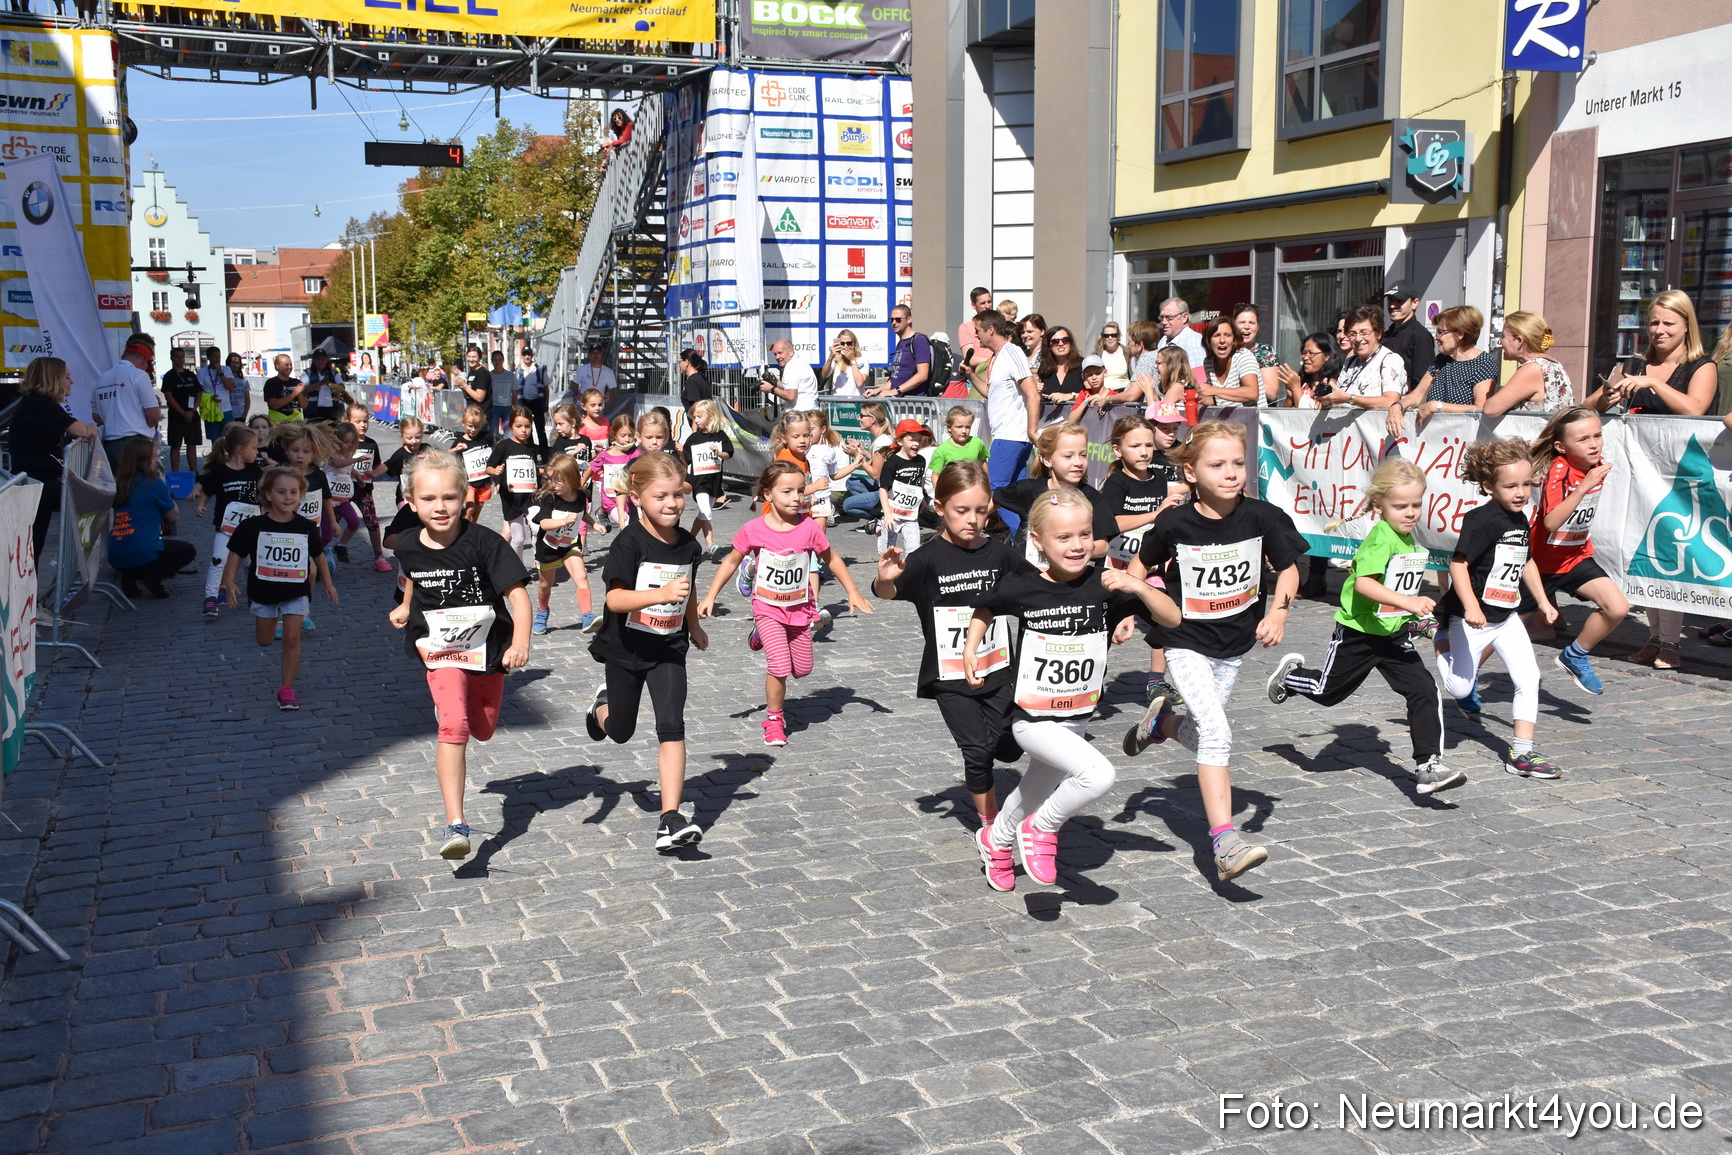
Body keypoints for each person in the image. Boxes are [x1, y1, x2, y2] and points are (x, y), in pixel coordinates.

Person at [964, 489, 1180, 889]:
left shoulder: (1105, 585)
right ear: (1038, 541)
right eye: (1064, 537)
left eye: (1084, 534)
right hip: (1032, 716)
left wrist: (1140, 586)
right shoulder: (1022, 585)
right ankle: (1040, 830)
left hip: (1077, 714)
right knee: (1097, 775)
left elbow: (1173, 618)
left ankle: (996, 841)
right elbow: (986, 607)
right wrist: (970, 650)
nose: (1077, 545)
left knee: (1034, 789)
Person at [1124, 421, 1306, 882]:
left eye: (1238, 463)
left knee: (1203, 734)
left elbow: (1288, 570)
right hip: (1184, 640)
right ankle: (1224, 843)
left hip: (1232, 646)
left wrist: (1279, 614)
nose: (1231, 473)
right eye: (1218, 464)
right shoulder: (1173, 522)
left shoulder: (1262, 517)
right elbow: (1140, 566)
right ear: (1190, 471)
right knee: (1219, 735)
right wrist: (1126, 607)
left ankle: (1160, 724)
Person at [1266, 459, 1466, 797]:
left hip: (1392, 634)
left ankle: (1428, 764)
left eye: (1416, 504)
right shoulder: (1381, 539)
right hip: (1358, 633)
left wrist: (1420, 622)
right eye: (1400, 505)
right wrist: (1409, 603)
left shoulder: (1407, 538)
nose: (1410, 512)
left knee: (1424, 689)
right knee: (1327, 693)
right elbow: (1365, 587)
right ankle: (1291, 677)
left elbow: (1399, 589)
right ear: (1379, 505)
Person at [389, 449, 532, 862]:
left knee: (483, 728)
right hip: (440, 650)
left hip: (488, 650)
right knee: (455, 726)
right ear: (411, 502)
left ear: (465, 497)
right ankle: (456, 822)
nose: (440, 507)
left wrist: (520, 642)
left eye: (449, 497)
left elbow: (518, 597)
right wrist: (405, 605)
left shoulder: (485, 543)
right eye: (429, 499)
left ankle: (456, 711)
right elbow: (415, 577)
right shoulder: (408, 544)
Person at [874, 461, 1029, 836]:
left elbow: (1037, 587)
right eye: (962, 511)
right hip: (949, 674)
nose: (973, 519)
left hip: (997, 669)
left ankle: (1003, 751)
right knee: (976, 751)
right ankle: (992, 829)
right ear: (940, 507)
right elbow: (887, 592)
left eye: (981, 510)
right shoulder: (927, 558)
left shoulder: (999, 554)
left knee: (1008, 747)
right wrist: (884, 579)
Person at [698, 461, 874, 747]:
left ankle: (758, 637)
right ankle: (774, 720)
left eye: (801, 491)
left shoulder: (809, 529)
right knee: (779, 666)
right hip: (767, 608)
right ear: (768, 495)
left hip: (800, 609)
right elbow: (730, 561)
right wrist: (710, 596)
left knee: (802, 669)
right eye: (787, 491)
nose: (796, 498)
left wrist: (852, 591)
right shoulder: (753, 529)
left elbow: (833, 559)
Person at [583, 452, 709, 851]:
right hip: (626, 648)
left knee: (672, 725)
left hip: (669, 646)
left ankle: (669, 818)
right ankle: (600, 709)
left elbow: (684, 590)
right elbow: (616, 600)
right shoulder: (629, 542)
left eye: (677, 495)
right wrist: (658, 594)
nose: (672, 504)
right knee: (620, 732)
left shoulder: (688, 545)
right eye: (661, 496)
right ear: (637, 497)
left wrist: (694, 625)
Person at [1587, 290, 1717, 669]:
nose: (1659, 330)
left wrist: (1653, 385)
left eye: (1668, 324)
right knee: (1644, 553)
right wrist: (1609, 394)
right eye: (1654, 322)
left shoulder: (1700, 365)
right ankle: (1655, 637)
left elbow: (1696, 408)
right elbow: (1589, 404)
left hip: (1680, 476)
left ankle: (1671, 643)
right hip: (1638, 474)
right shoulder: (1635, 362)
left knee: (1671, 554)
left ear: (1686, 326)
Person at [1433, 438, 1562, 778]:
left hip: (1506, 617)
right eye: (1511, 486)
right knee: (1460, 688)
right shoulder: (1481, 520)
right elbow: (1458, 565)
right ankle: (1440, 640)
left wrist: (1545, 602)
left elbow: (1527, 562)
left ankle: (1522, 755)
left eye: (1526, 484)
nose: (1521, 492)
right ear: (1489, 486)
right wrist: (1471, 607)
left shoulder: (1521, 518)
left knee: (1529, 677)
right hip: (1471, 620)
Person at [1097, 411, 1188, 724]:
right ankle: (1093, 677)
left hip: (1151, 569)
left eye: (1148, 445)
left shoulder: (1159, 479)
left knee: (1165, 620)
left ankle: (1155, 680)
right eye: (1136, 446)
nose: (1145, 451)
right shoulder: (1116, 482)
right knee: (1104, 627)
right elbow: (1112, 523)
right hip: (1117, 567)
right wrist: (1153, 514)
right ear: (1118, 450)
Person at [1529, 407, 1628, 693]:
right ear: (1561, 446)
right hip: (1539, 564)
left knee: (1617, 607)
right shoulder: (1560, 468)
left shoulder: (1597, 465)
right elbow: (1551, 521)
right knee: (1500, 627)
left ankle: (1575, 655)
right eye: (1583, 439)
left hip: (1575, 556)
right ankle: (1468, 676)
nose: (1594, 443)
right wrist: (1583, 487)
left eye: (1597, 435)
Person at [222, 465, 336, 711]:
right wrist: (228, 581)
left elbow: (319, 556)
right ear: (268, 495)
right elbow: (235, 554)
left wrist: (327, 583)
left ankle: (286, 689)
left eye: (293, 492)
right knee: (264, 641)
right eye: (282, 492)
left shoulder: (306, 526)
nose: (288, 497)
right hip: (263, 592)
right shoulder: (252, 526)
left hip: (295, 590)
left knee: (292, 638)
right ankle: (276, 621)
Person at [10, 356, 98, 561]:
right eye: (67, 376)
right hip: (35, 483)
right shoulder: (38, 404)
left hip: (39, 482)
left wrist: (88, 428)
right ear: (53, 379)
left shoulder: (41, 404)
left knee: (33, 547)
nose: (71, 381)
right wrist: (90, 428)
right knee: (31, 549)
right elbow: (80, 430)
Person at [992, 422, 1105, 565]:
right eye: (1068, 456)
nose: (1078, 462)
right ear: (1047, 460)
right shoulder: (1027, 489)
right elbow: (994, 500)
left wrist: (1072, 550)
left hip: (1071, 578)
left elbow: (1103, 545)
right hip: (1028, 574)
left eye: (1083, 455)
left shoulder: (1093, 498)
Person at [1386, 306, 1499, 434]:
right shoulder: (1442, 359)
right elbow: (1418, 395)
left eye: (1441, 332)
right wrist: (1397, 406)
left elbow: (1480, 408)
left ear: (1460, 334)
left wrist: (1437, 406)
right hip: (1436, 440)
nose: (1436, 337)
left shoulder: (1483, 362)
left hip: (1463, 440)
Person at [192, 423, 263, 619]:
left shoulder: (254, 470)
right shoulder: (220, 471)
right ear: (240, 449)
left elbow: (265, 490)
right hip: (226, 529)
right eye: (254, 448)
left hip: (250, 529)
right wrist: (201, 504)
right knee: (218, 561)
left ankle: (254, 596)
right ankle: (211, 598)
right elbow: (208, 490)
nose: (256, 452)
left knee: (252, 564)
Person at [977, 310, 1041, 521]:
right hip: (1006, 434)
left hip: (1013, 434)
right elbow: (991, 393)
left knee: (998, 492)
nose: (976, 335)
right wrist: (970, 374)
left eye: (978, 331)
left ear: (991, 330)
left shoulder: (1012, 351)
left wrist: (1032, 430)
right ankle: (1024, 542)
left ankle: (1024, 537)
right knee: (1014, 494)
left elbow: (1032, 393)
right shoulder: (997, 357)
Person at [527, 454, 596, 634]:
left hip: (570, 544)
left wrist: (594, 523)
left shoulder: (581, 496)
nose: (553, 484)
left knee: (581, 575)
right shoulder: (549, 498)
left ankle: (587, 616)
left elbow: (581, 512)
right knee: (545, 585)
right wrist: (564, 521)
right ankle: (542, 611)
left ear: (571, 478)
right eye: (551, 479)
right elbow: (544, 523)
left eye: (558, 480)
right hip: (548, 547)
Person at [1482, 311, 1573, 417]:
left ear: (1519, 340)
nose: (1499, 342)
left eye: (1503, 336)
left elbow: (1490, 409)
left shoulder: (1533, 368)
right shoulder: (1553, 364)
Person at [487, 407, 548, 564]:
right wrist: (496, 470)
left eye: (527, 426)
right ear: (511, 426)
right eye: (519, 426)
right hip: (511, 498)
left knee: (538, 528)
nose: (524, 430)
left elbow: (533, 469)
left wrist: (544, 473)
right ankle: (517, 566)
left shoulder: (532, 447)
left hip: (530, 496)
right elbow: (489, 467)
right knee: (519, 539)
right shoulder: (504, 446)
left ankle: (539, 559)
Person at [93, 335, 161, 468]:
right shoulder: (139, 375)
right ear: (143, 360)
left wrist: (116, 419)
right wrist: (139, 425)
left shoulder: (102, 378)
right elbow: (154, 415)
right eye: (147, 364)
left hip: (111, 445)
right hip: (137, 443)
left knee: (121, 486)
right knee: (142, 485)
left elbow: (96, 415)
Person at [1319, 304, 1403, 411]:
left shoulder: (1390, 360)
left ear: (1378, 333)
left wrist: (1350, 399)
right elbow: (1340, 401)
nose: (1358, 339)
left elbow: (1390, 402)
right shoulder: (1350, 362)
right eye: (1353, 333)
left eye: (1364, 333)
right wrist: (1328, 400)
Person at [344, 403, 392, 571]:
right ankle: (323, 551)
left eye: (365, 421)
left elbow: (377, 465)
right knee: (332, 522)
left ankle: (379, 556)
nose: (362, 425)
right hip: (342, 490)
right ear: (348, 421)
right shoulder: (344, 444)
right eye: (357, 421)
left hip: (364, 490)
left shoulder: (371, 444)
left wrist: (374, 474)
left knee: (372, 522)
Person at [683, 399, 734, 555]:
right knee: (706, 510)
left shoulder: (720, 436)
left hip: (714, 481)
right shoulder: (692, 439)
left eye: (699, 416)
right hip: (698, 481)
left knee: (703, 513)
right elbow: (687, 459)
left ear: (711, 417)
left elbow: (728, 454)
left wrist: (718, 453)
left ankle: (688, 540)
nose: (696, 420)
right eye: (694, 418)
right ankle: (710, 544)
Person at [878, 418, 933, 555]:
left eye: (919, 440)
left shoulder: (921, 461)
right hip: (893, 513)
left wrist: (922, 498)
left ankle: (909, 575)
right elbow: (883, 489)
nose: (916, 444)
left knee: (914, 550)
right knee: (887, 551)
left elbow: (918, 482)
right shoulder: (892, 462)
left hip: (911, 514)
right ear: (900, 441)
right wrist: (887, 514)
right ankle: (879, 529)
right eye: (912, 440)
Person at [840, 403, 894, 521]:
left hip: (886, 491)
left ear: (872, 419)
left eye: (861, 416)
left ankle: (880, 516)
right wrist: (864, 452)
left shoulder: (881, 442)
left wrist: (857, 456)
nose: (858, 418)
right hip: (883, 486)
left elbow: (875, 474)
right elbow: (881, 463)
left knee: (847, 506)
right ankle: (878, 507)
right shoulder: (885, 437)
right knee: (851, 482)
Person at [590, 413, 642, 531]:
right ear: (614, 435)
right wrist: (582, 483)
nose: (627, 439)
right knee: (627, 526)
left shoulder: (636, 453)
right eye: (623, 435)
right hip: (610, 500)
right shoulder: (605, 454)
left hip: (629, 500)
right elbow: (591, 468)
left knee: (633, 526)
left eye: (630, 435)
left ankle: (602, 512)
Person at [1381, 281, 1436, 390]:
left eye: (1399, 301)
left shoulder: (1421, 336)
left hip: (1405, 404)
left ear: (1415, 303)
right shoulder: (1386, 335)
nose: (1392, 305)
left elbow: (1423, 382)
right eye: (1390, 300)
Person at [158, 346, 205, 474]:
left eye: (182, 356)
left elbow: (198, 394)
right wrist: (182, 412)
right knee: (175, 446)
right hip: (176, 417)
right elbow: (168, 396)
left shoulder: (190, 375)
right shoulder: (169, 376)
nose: (180, 359)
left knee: (192, 445)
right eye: (177, 356)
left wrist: (193, 410)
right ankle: (175, 473)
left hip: (192, 416)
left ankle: (194, 473)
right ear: (172, 358)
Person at [1196, 317, 1262, 407]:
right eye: (1217, 335)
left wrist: (1213, 390)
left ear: (1234, 340)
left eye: (1227, 335)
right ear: (1208, 340)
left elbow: (1252, 394)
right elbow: (1223, 398)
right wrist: (1206, 398)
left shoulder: (1243, 356)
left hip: (1254, 419)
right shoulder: (1208, 362)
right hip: (1227, 419)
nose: (1222, 340)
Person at [1276, 331, 1343, 411]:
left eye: (1311, 353)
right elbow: (1284, 415)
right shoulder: (1304, 382)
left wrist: (1295, 387)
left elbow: (1311, 413)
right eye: (1304, 353)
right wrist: (1290, 397)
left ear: (1327, 356)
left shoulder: (1333, 383)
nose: (1306, 357)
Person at [877, 305, 932, 397]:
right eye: (892, 319)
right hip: (899, 402)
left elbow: (922, 375)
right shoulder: (900, 343)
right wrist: (877, 390)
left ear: (909, 319)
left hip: (915, 404)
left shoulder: (919, 340)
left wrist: (895, 391)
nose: (894, 322)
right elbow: (896, 380)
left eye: (898, 319)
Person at [1231, 304, 1281, 404]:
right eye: (1242, 322)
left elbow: (1272, 393)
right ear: (1233, 326)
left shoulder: (1265, 352)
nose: (1247, 327)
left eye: (1251, 323)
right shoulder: (1224, 352)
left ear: (1257, 327)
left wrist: (1244, 378)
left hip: (1259, 413)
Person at [927, 406, 989, 482]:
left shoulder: (978, 443)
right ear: (949, 427)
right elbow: (935, 475)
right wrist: (940, 492)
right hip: (953, 489)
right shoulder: (942, 450)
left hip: (974, 488)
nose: (964, 431)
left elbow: (983, 463)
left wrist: (986, 483)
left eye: (967, 427)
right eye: (959, 427)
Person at [761, 339, 819, 410]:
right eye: (775, 354)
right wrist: (779, 384)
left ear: (790, 351)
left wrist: (771, 389)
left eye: (780, 353)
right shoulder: (800, 363)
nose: (777, 357)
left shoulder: (791, 366)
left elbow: (791, 396)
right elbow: (799, 388)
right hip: (810, 412)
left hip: (799, 415)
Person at [956, 286, 993, 394]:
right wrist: (995, 360)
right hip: (977, 378)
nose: (987, 306)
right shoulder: (966, 327)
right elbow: (971, 359)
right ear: (973, 305)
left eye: (989, 302)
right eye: (983, 303)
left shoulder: (998, 324)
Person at [1153, 297, 1205, 372]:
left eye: (1169, 317)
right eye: (1162, 317)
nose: (1163, 322)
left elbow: (1199, 380)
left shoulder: (1193, 343)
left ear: (1184, 317)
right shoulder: (1164, 340)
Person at [515, 347, 551, 448]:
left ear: (532, 356)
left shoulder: (539, 369)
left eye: (529, 355)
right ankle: (531, 452)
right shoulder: (518, 371)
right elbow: (515, 389)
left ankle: (544, 453)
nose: (527, 357)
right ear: (522, 356)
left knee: (540, 429)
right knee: (526, 429)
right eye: (525, 355)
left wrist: (546, 402)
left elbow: (546, 387)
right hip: (524, 403)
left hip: (537, 402)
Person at [300, 348, 347, 424]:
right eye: (318, 359)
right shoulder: (307, 373)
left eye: (323, 359)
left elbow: (342, 388)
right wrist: (320, 383)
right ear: (314, 360)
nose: (320, 361)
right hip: (313, 411)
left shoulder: (333, 373)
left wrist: (330, 384)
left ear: (326, 360)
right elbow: (303, 389)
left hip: (333, 410)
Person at [1038, 326, 1084, 403]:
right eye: (1055, 341)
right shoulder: (1044, 369)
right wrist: (1039, 393)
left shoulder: (1083, 365)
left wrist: (1070, 396)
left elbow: (1094, 394)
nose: (1061, 344)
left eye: (1065, 340)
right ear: (1049, 346)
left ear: (1070, 343)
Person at [821, 330, 869, 396]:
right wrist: (830, 357)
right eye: (842, 343)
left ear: (854, 344)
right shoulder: (835, 358)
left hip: (855, 401)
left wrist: (852, 360)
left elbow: (860, 383)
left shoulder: (862, 359)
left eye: (849, 343)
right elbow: (824, 375)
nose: (845, 346)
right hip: (837, 401)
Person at [262, 353, 306, 425]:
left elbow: (304, 405)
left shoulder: (296, 382)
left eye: (291, 365)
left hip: (296, 423)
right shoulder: (271, 383)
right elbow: (274, 404)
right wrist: (294, 393)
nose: (289, 367)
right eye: (286, 365)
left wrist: (299, 393)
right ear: (277, 366)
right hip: (278, 424)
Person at [1095, 324, 1131, 393]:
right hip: (1104, 394)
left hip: (1123, 394)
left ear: (1118, 336)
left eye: (1113, 335)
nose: (1110, 338)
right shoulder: (1097, 355)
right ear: (1103, 337)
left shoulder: (1128, 353)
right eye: (1106, 335)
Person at [222, 352, 251, 424]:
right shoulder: (224, 380)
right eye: (233, 362)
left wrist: (244, 415)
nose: (235, 365)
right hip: (226, 413)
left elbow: (247, 400)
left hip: (239, 415)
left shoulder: (244, 381)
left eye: (237, 363)